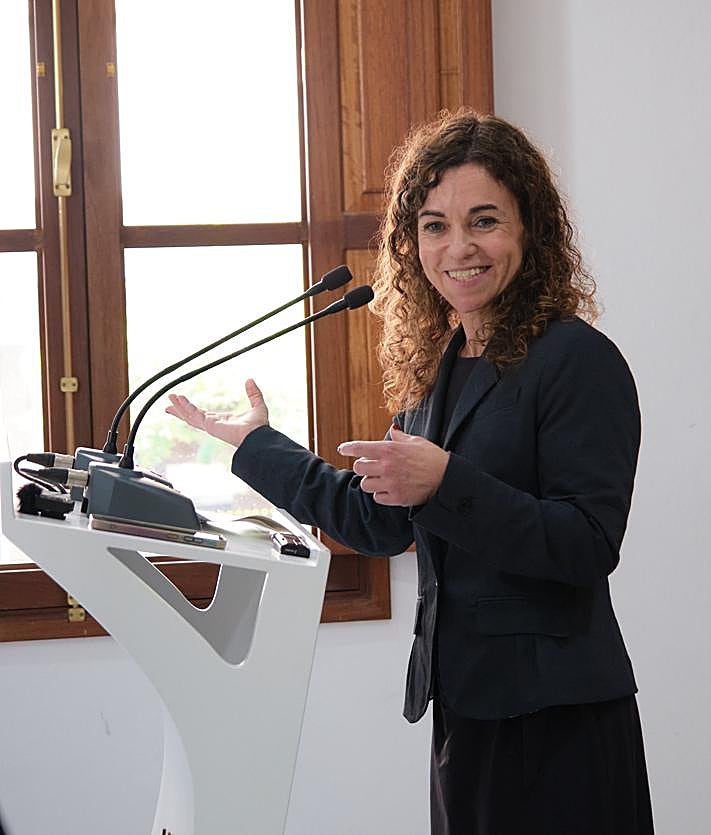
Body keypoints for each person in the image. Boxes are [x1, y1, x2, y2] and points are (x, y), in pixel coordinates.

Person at [166, 109, 654, 835]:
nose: (458, 247)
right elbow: (382, 517)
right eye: (433, 225)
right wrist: (257, 447)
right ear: (409, 242)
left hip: (557, 722)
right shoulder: (440, 367)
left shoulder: (576, 361)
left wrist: (447, 480)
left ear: (529, 230)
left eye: (483, 220)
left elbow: (586, 543)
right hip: (464, 708)